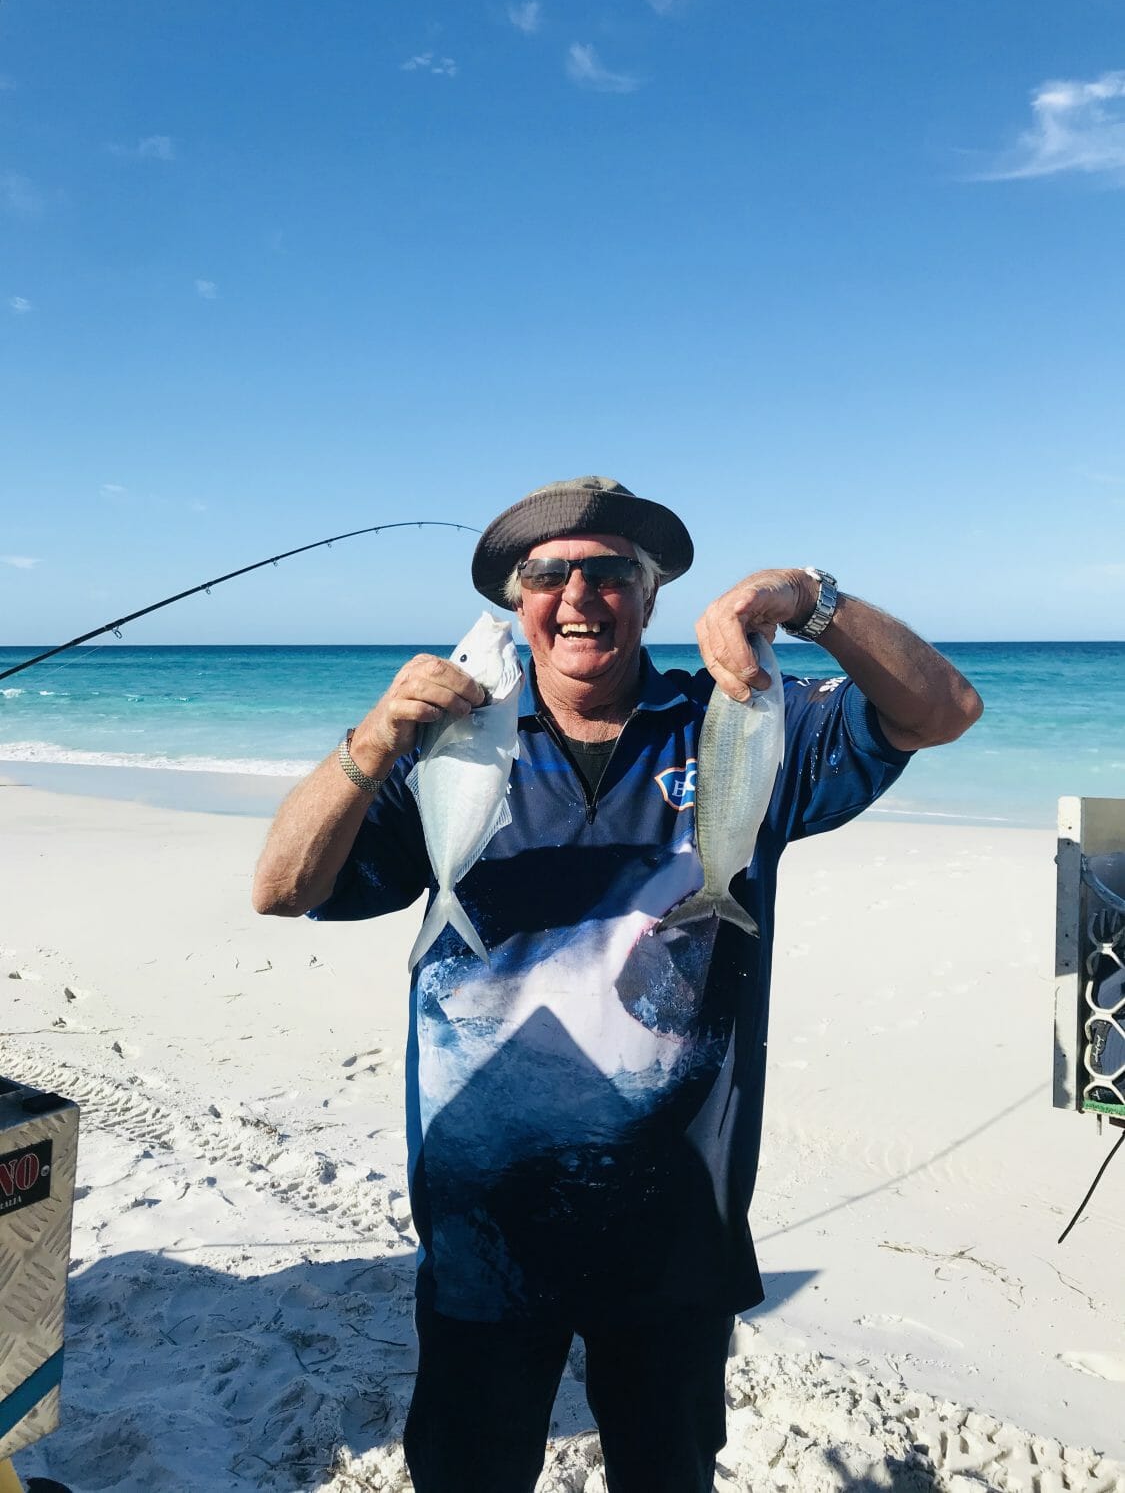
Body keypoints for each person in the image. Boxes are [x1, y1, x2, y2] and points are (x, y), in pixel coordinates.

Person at [252, 475, 983, 1493]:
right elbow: (281, 889)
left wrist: (807, 601)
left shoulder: (736, 718)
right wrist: (374, 738)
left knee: (668, 1473)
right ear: (517, 603)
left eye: (607, 572)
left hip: (676, 1226)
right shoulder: (450, 742)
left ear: (649, 595)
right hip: (484, 1220)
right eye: (546, 573)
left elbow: (943, 710)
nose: (576, 595)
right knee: (468, 1475)